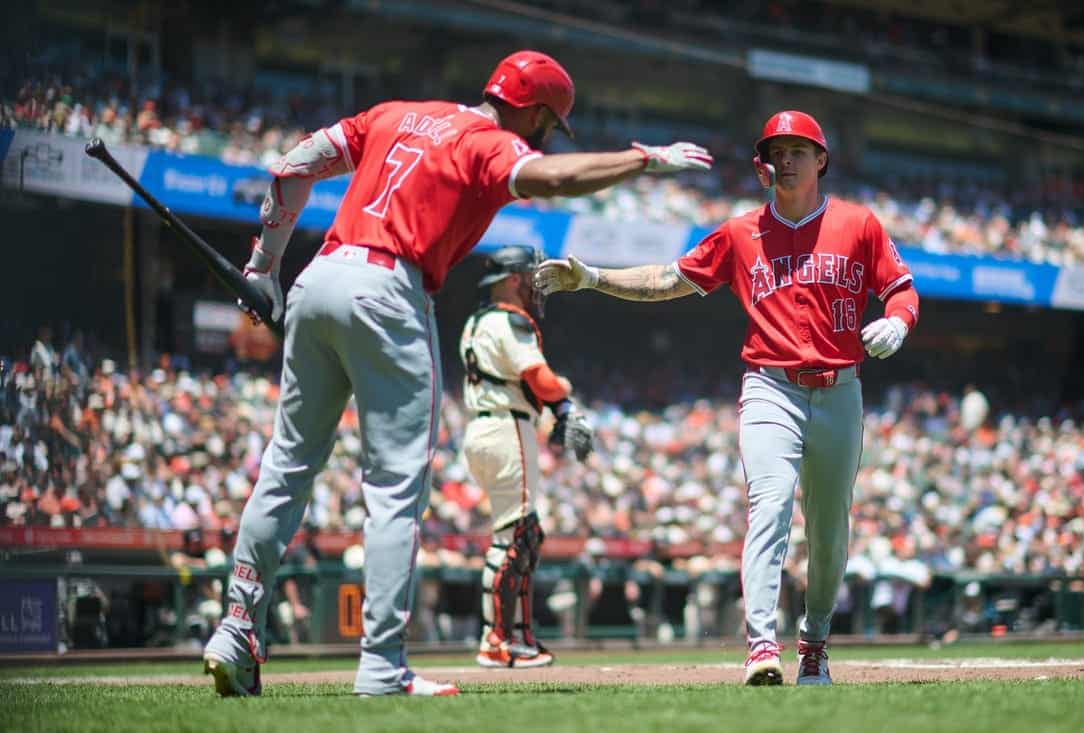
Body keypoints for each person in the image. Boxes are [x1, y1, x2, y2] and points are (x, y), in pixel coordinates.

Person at [202, 49, 712, 698]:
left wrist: (262, 268)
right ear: (531, 112)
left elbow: (292, 167)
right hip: (389, 288)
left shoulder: (396, 113)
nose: (545, 137)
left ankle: (237, 628)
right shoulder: (490, 144)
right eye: (549, 126)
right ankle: (382, 666)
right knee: (392, 488)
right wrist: (644, 158)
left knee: (287, 466)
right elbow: (555, 179)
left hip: (318, 277)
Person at [535, 110, 919, 686]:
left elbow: (902, 290)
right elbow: (670, 279)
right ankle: (762, 645)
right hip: (770, 388)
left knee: (830, 530)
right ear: (765, 164)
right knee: (769, 506)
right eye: (776, 150)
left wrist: (899, 323)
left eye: (797, 149)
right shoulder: (740, 233)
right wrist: (593, 277)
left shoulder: (858, 224)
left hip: (840, 390)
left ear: (821, 161)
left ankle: (813, 644)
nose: (785, 159)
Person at [459, 245, 592, 669]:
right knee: (515, 538)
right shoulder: (510, 320)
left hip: (486, 426)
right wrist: (566, 399)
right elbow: (540, 378)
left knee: (525, 536)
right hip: (506, 428)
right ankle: (495, 640)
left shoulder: (476, 322)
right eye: (528, 276)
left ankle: (516, 638)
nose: (535, 285)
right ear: (513, 279)